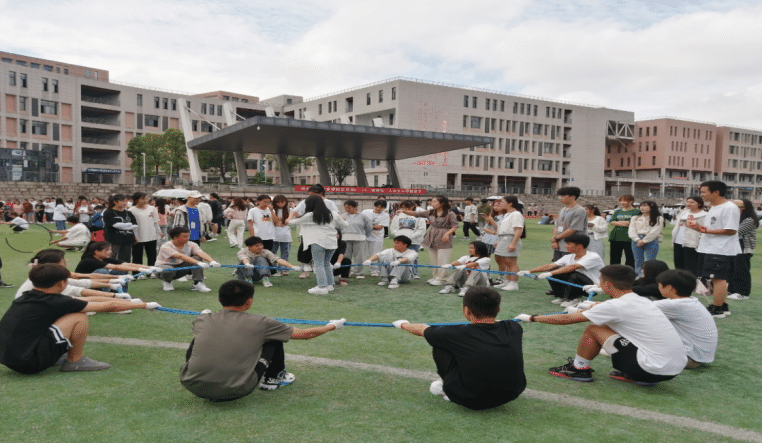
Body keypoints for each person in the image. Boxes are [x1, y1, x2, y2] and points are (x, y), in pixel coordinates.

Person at [516, 264, 686, 386]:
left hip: (652, 369)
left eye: (600, 280)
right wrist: (591, 306)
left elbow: (567, 319)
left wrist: (532, 318)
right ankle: (633, 372)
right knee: (610, 327)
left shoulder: (615, 306)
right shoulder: (640, 300)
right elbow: (614, 311)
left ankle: (579, 369)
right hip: (673, 370)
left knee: (594, 329)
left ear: (607, 285)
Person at [179, 279, 345, 401]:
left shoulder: (203, 319)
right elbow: (305, 334)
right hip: (236, 390)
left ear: (219, 300)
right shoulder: (263, 323)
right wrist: (332, 326)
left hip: (191, 385)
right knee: (274, 337)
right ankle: (273, 378)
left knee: (199, 337)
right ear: (249, 301)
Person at [0, 264, 159, 374]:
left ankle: (55, 355)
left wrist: (122, 299)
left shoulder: (27, 296)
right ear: (61, 283)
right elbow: (107, 306)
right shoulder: (56, 301)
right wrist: (144, 305)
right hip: (29, 363)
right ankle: (75, 361)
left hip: (9, 359)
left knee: (70, 312)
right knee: (78, 316)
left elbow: (87, 300)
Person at [393, 287, 526, 410]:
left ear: (466, 310)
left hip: (471, 400)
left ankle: (448, 390)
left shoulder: (454, 334)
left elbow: (422, 329)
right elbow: (498, 323)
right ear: (498, 309)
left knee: (440, 346)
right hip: (512, 393)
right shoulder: (514, 327)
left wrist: (402, 324)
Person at [686, 181, 741, 318]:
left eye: (704, 192)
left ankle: (717, 309)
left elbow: (731, 230)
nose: (701, 195)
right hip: (712, 247)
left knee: (718, 278)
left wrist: (703, 230)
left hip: (720, 248)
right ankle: (722, 305)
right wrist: (699, 228)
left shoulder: (729, 207)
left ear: (716, 192)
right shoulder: (714, 207)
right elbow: (713, 227)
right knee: (716, 278)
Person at [653, 269, 718, 369]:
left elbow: (637, 308)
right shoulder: (691, 301)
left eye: (659, 285)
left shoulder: (675, 305)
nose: (658, 287)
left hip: (689, 359)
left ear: (669, 287)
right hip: (698, 356)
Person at [286, 195, 348, 294]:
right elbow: (345, 224)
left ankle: (322, 287)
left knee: (318, 264)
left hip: (318, 242)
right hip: (332, 242)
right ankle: (329, 285)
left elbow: (293, 222)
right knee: (326, 263)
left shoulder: (310, 215)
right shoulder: (333, 214)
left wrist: (288, 219)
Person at [519, 233, 604, 306]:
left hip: (593, 287)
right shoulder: (568, 257)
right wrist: (529, 271)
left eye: (569, 244)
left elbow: (572, 267)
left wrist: (550, 273)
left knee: (572, 274)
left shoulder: (593, 256)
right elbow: (550, 266)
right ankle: (563, 297)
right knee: (554, 272)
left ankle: (573, 298)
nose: (566, 246)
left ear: (579, 246)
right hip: (579, 283)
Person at [398, 195, 459, 286]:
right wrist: (403, 211)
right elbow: (417, 214)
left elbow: (455, 226)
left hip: (443, 236)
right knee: (433, 259)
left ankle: (442, 278)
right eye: (431, 201)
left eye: (434, 202)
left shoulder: (450, 213)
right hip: (432, 236)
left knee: (442, 259)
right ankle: (435, 277)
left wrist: (447, 233)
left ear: (442, 203)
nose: (432, 203)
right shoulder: (431, 212)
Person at [290, 184, 340, 279]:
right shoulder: (305, 203)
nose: (311, 197)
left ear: (320, 193)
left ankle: (324, 279)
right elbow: (295, 212)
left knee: (322, 258)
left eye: (313, 195)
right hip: (307, 231)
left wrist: (337, 230)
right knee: (304, 250)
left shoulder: (329, 203)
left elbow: (337, 216)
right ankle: (306, 270)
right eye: (310, 195)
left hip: (323, 233)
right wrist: (290, 218)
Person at [155, 227, 220, 292]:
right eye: (185, 236)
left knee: (197, 258)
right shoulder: (166, 246)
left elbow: (200, 253)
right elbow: (180, 256)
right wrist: (198, 263)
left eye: (188, 236)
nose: (188, 238)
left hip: (180, 268)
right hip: (163, 270)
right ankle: (167, 282)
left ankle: (197, 284)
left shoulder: (191, 244)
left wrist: (212, 261)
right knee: (168, 270)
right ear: (175, 237)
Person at [727, 199, 758, 300]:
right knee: (732, 269)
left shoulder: (749, 220)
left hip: (743, 247)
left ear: (744, 207)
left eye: (737, 206)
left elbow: (737, 232)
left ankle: (743, 293)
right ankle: (732, 290)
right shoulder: (736, 217)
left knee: (741, 270)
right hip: (733, 247)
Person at [389, 200, 427, 280]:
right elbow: (393, 228)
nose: (405, 209)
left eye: (408, 208)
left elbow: (422, 229)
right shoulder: (398, 216)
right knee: (399, 257)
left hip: (414, 241)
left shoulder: (418, 216)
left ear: (413, 207)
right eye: (403, 207)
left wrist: (412, 236)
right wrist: (398, 236)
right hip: (400, 241)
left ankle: (414, 273)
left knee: (413, 258)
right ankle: (400, 273)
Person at [493, 196, 524, 291]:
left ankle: (513, 283)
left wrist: (513, 243)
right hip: (504, 238)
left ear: (510, 203)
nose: (500, 204)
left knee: (511, 262)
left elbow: (518, 230)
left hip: (510, 238)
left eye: (502, 202)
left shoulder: (516, 214)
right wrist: (499, 241)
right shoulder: (507, 214)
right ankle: (508, 281)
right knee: (506, 261)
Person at [671, 196, 706, 276]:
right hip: (678, 241)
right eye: (688, 202)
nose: (688, 204)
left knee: (690, 266)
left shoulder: (704, 215)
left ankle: (691, 282)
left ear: (699, 204)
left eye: (692, 202)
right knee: (678, 264)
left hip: (692, 242)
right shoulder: (684, 212)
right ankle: (679, 280)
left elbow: (705, 229)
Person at [129, 192, 163, 274]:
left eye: (146, 198)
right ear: (136, 200)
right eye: (143, 199)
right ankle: (138, 273)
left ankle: (152, 272)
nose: (145, 200)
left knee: (152, 255)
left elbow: (155, 222)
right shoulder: (131, 210)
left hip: (151, 235)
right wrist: (133, 236)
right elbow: (130, 225)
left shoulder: (152, 208)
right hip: (138, 236)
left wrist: (159, 231)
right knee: (137, 255)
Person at [627, 200, 663, 277]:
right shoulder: (635, 218)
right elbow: (631, 230)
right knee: (638, 260)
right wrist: (637, 239)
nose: (642, 208)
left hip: (651, 240)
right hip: (636, 240)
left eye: (645, 206)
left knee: (651, 260)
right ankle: (639, 276)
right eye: (641, 206)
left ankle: (650, 276)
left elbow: (655, 231)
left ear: (652, 207)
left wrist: (644, 240)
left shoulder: (658, 218)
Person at [551, 187, 587, 261]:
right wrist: (555, 240)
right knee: (557, 265)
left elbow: (573, 229)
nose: (560, 198)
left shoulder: (580, 210)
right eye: (559, 196)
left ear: (572, 197)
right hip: (559, 244)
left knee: (569, 265)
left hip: (572, 245)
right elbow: (557, 226)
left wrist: (556, 238)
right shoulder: (562, 210)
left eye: (563, 196)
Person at [341, 200, 372, 279]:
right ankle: (346, 272)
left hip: (360, 239)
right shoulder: (342, 216)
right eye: (345, 208)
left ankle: (359, 273)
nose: (347, 209)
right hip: (345, 239)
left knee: (359, 256)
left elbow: (369, 227)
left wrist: (364, 235)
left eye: (349, 207)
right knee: (346, 256)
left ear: (355, 207)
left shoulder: (363, 216)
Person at [103, 193, 137, 263]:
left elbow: (135, 224)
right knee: (112, 258)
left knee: (126, 259)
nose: (125, 203)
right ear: (115, 202)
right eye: (122, 201)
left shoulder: (128, 213)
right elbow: (114, 225)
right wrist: (128, 225)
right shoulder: (108, 212)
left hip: (127, 239)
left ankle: (124, 270)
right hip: (113, 239)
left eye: (126, 201)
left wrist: (134, 236)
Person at [608, 195, 639, 267]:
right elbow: (612, 222)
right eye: (621, 201)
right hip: (615, 237)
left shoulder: (637, 211)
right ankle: (614, 272)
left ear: (631, 201)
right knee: (614, 258)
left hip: (630, 237)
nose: (622, 202)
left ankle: (629, 272)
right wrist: (626, 223)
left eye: (625, 200)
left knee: (630, 258)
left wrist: (618, 222)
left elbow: (636, 223)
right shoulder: (618, 211)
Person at [362, 200, 390, 278]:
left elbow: (379, 227)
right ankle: (359, 270)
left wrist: (368, 226)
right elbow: (361, 222)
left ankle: (374, 270)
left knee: (375, 253)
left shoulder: (385, 215)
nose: (378, 209)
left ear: (384, 208)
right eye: (377, 207)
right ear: (374, 206)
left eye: (381, 207)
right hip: (364, 236)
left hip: (377, 237)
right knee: (362, 253)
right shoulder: (366, 212)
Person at [270, 195, 293, 274]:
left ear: (285, 202)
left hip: (285, 235)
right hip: (273, 235)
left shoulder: (290, 210)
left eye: (282, 202)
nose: (280, 204)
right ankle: (272, 269)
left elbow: (291, 221)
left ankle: (284, 269)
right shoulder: (271, 210)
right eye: (278, 202)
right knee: (272, 253)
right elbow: (271, 221)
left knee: (285, 253)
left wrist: (284, 222)